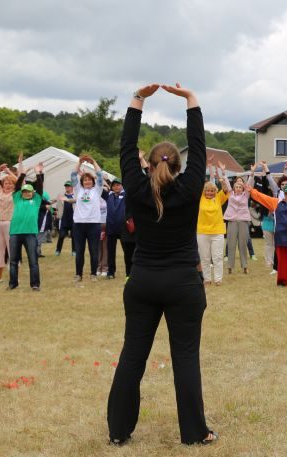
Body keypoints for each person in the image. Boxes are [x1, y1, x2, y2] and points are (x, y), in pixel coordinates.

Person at [107, 83, 216, 446]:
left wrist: (138, 102)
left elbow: (125, 148)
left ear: (147, 164)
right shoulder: (188, 189)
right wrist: (191, 101)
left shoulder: (136, 187)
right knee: (185, 358)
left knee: (133, 355)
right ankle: (195, 433)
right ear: (180, 164)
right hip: (183, 283)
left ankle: (118, 431)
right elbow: (200, 148)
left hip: (143, 282)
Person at [8, 158, 45, 291]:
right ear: (21, 193)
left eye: (29, 191)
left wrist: (38, 173)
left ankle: (35, 284)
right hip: (15, 233)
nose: (27, 193)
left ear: (32, 193)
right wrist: (22, 174)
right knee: (13, 261)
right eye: (24, 191)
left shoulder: (36, 200)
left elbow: (40, 188)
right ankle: (13, 284)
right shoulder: (17, 198)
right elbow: (17, 186)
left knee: (33, 261)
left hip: (30, 233)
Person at [70, 157, 105, 283]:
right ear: (82, 182)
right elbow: (73, 174)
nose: (87, 182)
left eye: (89, 180)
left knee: (94, 251)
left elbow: (100, 175)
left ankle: (93, 274)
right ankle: (78, 274)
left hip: (94, 224)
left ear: (93, 182)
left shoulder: (97, 190)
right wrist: (79, 162)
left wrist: (93, 162)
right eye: (85, 180)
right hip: (79, 224)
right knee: (79, 251)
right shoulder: (78, 189)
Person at [197, 163, 229, 286]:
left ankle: (218, 279)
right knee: (204, 258)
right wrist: (204, 166)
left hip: (217, 232)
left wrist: (222, 175)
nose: (210, 193)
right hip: (202, 232)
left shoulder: (219, 197)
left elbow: (226, 189)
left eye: (212, 190)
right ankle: (207, 279)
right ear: (204, 191)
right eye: (207, 191)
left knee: (217, 257)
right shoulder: (200, 198)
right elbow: (198, 181)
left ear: (215, 191)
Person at [223, 172, 254, 275]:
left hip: (243, 221)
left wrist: (252, 174)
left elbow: (249, 183)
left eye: (240, 187)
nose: (238, 188)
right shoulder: (230, 194)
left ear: (243, 188)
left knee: (242, 244)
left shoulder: (246, 195)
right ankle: (230, 267)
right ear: (234, 188)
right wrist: (223, 172)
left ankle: (245, 266)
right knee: (231, 244)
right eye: (236, 186)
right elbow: (227, 183)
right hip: (232, 221)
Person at [0, 161, 17, 283]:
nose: (8, 185)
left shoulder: (16, 193)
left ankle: (13, 275)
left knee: (12, 250)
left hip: (10, 223)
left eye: (10, 183)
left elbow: (19, 182)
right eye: (6, 183)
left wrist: (8, 172)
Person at [55, 180, 76, 256]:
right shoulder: (61, 195)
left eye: (69, 186)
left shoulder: (75, 195)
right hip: (64, 218)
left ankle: (74, 251)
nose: (67, 187)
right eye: (66, 186)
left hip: (73, 219)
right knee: (61, 235)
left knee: (74, 236)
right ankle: (58, 250)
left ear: (72, 187)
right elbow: (56, 200)